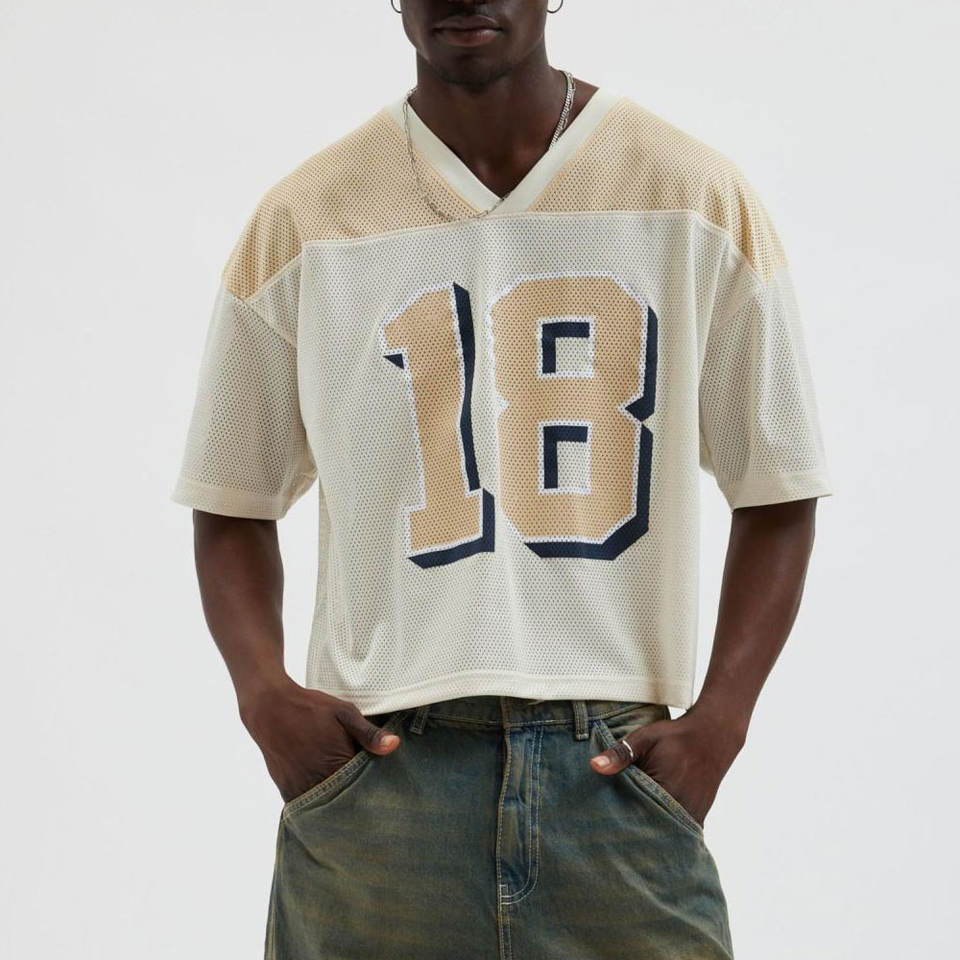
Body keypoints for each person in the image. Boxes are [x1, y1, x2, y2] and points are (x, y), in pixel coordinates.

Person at [171, 1, 832, 956]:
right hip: (383, 772)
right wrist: (262, 694)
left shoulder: (690, 193)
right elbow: (231, 497)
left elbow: (779, 484)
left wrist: (722, 720)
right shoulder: (306, 218)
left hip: (614, 768)